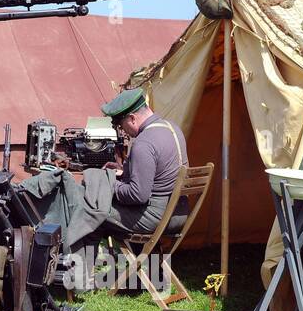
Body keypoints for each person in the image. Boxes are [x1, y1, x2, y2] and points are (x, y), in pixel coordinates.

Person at [13, 88, 186, 280]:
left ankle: (78, 277)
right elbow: (158, 175)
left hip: (155, 216)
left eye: (121, 125)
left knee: (91, 211)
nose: (123, 131)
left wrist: (109, 184)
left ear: (132, 119)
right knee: (98, 214)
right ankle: (146, 272)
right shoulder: (171, 129)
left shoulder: (144, 143)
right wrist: (124, 170)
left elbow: (138, 195)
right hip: (177, 213)